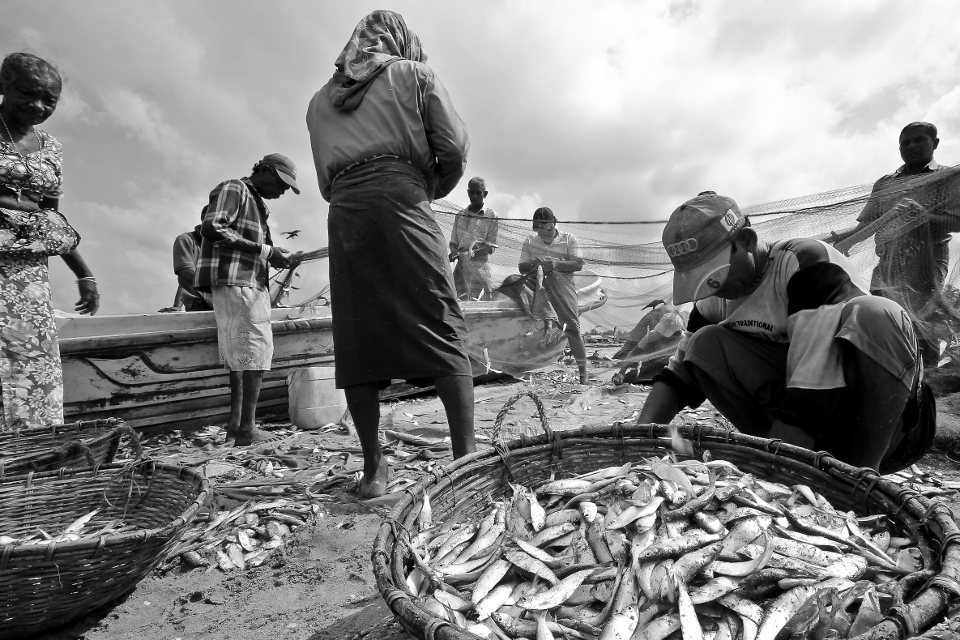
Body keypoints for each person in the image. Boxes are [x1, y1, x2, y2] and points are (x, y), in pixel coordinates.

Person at [637, 191, 934, 472]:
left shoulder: (803, 264)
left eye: (715, 275)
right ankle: (789, 459)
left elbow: (813, 387)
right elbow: (676, 378)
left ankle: (855, 478)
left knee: (877, 314)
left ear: (747, 241)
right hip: (806, 424)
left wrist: (770, 472)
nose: (716, 289)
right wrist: (638, 439)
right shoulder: (714, 303)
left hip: (888, 428)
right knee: (703, 344)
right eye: (701, 281)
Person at [307, 10, 476, 498]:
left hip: (344, 211)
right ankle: (465, 460)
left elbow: (323, 179)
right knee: (438, 317)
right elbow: (454, 147)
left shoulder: (318, 101)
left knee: (358, 333)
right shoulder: (414, 74)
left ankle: (374, 470)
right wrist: (426, 187)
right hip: (402, 197)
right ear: (398, 40)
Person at [0, 52, 99, 430]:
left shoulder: (50, 146)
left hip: (28, 275)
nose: (39, 106)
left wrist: (84, 274)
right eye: (28, 94)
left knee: (31, 362)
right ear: (3, 87)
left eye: (50, 101)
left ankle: (27, 454)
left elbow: (50, 218)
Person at [195, 154, 302, 446]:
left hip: (241, 281)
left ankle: (237, 426)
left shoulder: (255, 202)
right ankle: (247, 429)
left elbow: (243, 241)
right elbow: (213, 227)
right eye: (281, 183)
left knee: (241, 354)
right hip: (239, 281)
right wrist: (267, 252)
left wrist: (272, 252)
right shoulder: (236, 188)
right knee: (255, 352)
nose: (282, 191)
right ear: (264, 170)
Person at [831, 122, 955, 365]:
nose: (912, 146)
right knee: (880, 316)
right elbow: (868, 224)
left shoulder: (947, 177)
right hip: (887, 261)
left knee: (921, 321)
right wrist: (845, 240)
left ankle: (927, 382)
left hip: (926, 262)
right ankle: (890, 376)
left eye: (919, 140)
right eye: (905, 143)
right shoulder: (886, 183)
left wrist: (926, 217)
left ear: (935, 144)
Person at [518, 207, 589, 384]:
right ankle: (521, 366)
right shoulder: (530, 240)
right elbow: (521, 267)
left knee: (572, 328)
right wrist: (535, 264)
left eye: (545, 227)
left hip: (563, 289)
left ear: (554, 223)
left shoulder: (568, 239)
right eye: (538, 227)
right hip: (538, 289)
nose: (541, 231)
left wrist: (555, 264)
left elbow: (578, 264)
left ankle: (583, 374)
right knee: (529, 325)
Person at [448, 176, 498, 300]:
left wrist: (472, 253)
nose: (474, 196)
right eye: (471, 192)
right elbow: (453, 243)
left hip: (480, 270)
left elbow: (491, 246)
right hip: (460, 270)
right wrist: (456, 254)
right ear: (467, 192)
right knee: (458, 303)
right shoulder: (460, 215)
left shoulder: (491, 215)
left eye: (478, 193)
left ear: (485, 194)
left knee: (483, 306)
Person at [172, 216, 212, 312]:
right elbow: (187, 274)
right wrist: (177, 307)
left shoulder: (220, 244)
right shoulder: (186, 240)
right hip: (199, 303)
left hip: (225, 302)